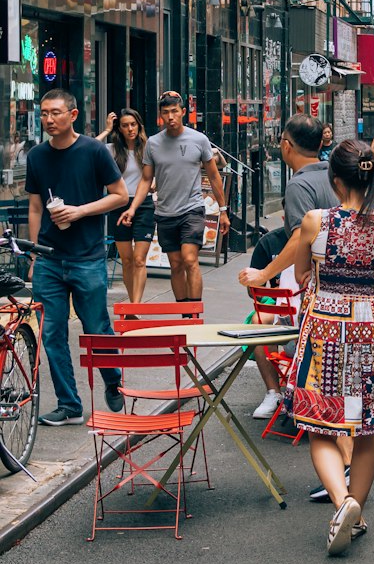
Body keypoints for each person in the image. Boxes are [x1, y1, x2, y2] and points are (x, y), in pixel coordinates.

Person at [289, 140, 374, 554]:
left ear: (336, 181)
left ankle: (343, 502)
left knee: (320, 423)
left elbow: (301, 272)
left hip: (326, 331)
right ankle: (356, 510)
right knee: (368, 429)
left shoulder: (316, 221)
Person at [26, 89, 129, 426]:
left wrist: (80, 211)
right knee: (51, 331)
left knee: (96, 325)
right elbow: (36, 206)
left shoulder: (94, 151)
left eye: (55, 113)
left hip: (87, 256)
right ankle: (69, 404)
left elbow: (120, 196)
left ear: (72, 115)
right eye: (43, 113)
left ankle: (112, 380)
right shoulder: (37, 156)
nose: (48, 119)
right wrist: (33, 253)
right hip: (49, 260)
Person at [238, 115, 338, 421]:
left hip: (312, 291)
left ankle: (282, 394)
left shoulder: (299, 184)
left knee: (262, 328)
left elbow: (298, 239)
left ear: (286, 145)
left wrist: (264, 273)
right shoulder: (338, 177)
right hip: (343, 289)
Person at [120, 90, 230, 301]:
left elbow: (215, 177)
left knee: (190, 260)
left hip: (192, 209)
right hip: (165, 212)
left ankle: (194, 313)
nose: (170, 117)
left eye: (174, 111)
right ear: (160, 115)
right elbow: (145, 179)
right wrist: (132, 208)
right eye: (165, 112)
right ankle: (183, 312)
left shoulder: (199, 139)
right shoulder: (153, 143)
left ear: (183, 112)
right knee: (176, 265)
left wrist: (223, 210)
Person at [104, 109, 155, 304]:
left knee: (139, 259)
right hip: (119, 205)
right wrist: (107, 129)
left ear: (139, 125)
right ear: (120, 129)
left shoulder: (149, 147)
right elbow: (89, 147)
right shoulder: (112, 149)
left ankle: (135, 306)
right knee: (126, 260)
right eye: (125, 125)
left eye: (133, 124)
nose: (130, 129)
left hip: (144, 205)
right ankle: (132, 304)